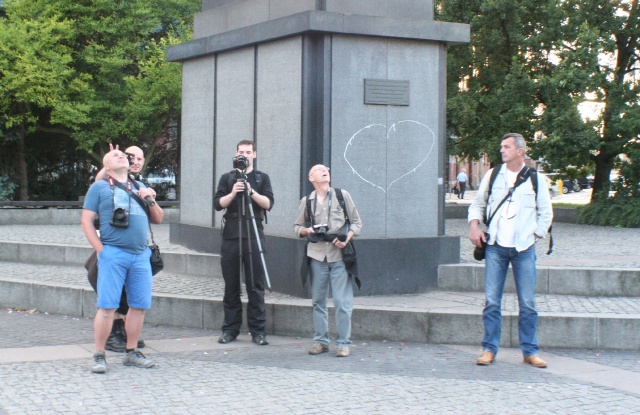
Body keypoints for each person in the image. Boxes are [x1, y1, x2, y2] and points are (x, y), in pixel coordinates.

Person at [468, 133, 553, 368]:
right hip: (495, 246)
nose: (502, 150)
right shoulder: (493, 175)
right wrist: (474, 226)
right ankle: (489, 349)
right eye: (501, 146)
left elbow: (546, 213)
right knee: (492, 301)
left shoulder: (536, 179)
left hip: (524, 248)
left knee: (527, 302)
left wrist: (535, 235)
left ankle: (530, 351)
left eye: (507, 147)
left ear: (520, 151)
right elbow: (478, 203)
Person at [82, 149, 164, 373]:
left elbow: (158, 218)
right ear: (106, 167)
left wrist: (151, 199)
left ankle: (131, 352)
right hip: (113, 253)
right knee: (107, 306)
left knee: (138, 307)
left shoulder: (139, 187)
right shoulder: (99, 187)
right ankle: (99, 354)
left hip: (140, 255)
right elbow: (86, 221)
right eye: (115, 155)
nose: (121, 156)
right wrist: (101, 250)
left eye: (123, 155)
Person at [293, 165, 362, 357]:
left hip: (340, 256)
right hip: (316, 255)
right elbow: (296, 227)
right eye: (319, 169)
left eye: (326, 169)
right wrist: (307, 231)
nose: (325, 171)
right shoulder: (307, 201)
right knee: (318, 301)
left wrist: (347, 237)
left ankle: (343, 342)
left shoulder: (342, 195)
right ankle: (321, 341)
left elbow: (357, 223)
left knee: (342, 301)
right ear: (311, 178)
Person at [213, 140, 274, 346]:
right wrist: (232, 192)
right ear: (235, 154)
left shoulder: (261, 178)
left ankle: (258, 331)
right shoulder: (227, 178)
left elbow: (269, 203)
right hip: (231, 235)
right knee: (231, 285)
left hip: (254, 234)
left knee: (255, 286)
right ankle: (230, 329)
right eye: (241, 152)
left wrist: (251, 191)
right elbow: (217, 204)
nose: (244, 155)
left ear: (254, 154)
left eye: (248, 152)